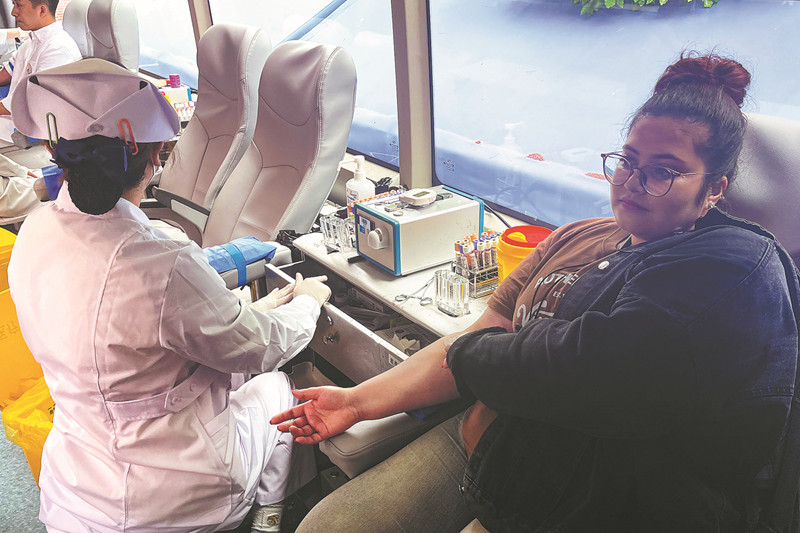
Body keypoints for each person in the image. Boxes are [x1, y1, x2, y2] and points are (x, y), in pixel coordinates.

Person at [272, 52, 800, 532]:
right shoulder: (572, 237)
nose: (634, 182)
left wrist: (472, 356)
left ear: (715, 189)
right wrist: (356, 403)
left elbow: (590, 380)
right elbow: (480, 338)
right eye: (629, 160)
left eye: (664, 172)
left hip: (567, 476)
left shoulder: (715, 281)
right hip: (474, 441)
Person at [8, 58, 332, 533]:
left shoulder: (34, 232)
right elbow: (261, 349)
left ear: (60, 153)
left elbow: (130, 341)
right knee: (277, 387)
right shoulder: (160, 262)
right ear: (155, 157)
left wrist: (254, 310)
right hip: (174, 500)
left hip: (75, 493)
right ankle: (266, 516)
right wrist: (308, 299)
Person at [0, 0, 81, 140]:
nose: (14, 12)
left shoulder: (58, 48)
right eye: (13, 4)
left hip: (32, 134)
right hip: (11, 123)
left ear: (42, 10)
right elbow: (5, 75)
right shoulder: (29, 44)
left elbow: (27, 103)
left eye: (18, 5)